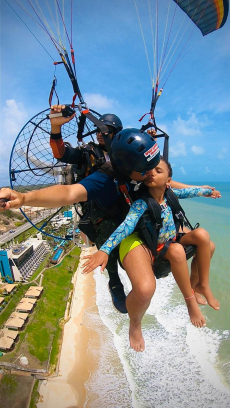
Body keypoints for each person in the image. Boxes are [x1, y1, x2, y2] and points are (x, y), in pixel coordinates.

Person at [82, 156, 220, 352]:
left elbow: (191, 191)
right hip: (154, 243)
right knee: (178, 251)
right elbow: (126, 226)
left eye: (158, 171)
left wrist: (208, 191)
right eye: (149, 171)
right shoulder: (141, 203)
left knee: (204, 237)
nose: (152, 174)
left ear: (169, 181)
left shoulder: (171, 194)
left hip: (170, 239)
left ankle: (200, 285)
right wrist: (105, 249)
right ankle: (188, 302)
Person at [49, 104, 128, 313]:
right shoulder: (87, 153)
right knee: (107, 237)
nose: (101, 135)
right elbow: (61, 153)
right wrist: (55, 128)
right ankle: (114, 282)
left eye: (107, 131)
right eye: (100, 131)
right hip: (99, 209)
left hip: (123, 202)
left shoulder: (122, 155)